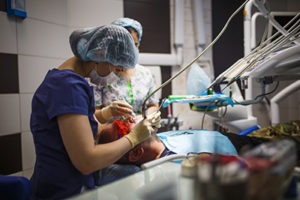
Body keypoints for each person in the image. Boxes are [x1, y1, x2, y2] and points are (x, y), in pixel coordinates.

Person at [29, 25, 161, 199]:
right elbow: (86, 160)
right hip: (62, 191)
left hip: (71, 183)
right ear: (101, 56)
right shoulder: (68, 86)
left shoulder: (68, 81)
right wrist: (133, 138)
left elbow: (74, 126)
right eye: (117, 69)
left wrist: (106, 113)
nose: (117, 76)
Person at [89, 17, 159, 120]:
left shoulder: (146, 74)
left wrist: (140, 119)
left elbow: (153, 105)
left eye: (134, 44)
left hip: (142, 133)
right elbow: (93, 116)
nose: (130, 50)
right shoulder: (100, 74)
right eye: (126, 44)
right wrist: (108, 112)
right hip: (111, 134)